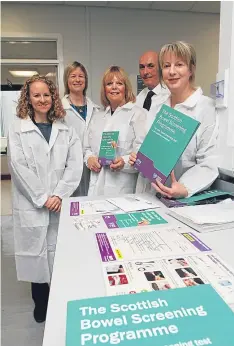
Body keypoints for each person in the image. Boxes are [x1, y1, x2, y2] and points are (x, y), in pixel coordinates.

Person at [7, 75, 83, 323]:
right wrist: (42, 197)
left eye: (46, 95)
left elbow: (74, 166)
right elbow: (18, 168)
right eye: (36, 95)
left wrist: (59, 194)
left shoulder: (66, 129)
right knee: (36, 255)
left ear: (53, 97)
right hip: (33, 205)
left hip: (59, 203)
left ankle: (61, 301)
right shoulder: (18, 128)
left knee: (60, 254)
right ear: (28, 98)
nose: (42, 100)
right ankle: (41, 303)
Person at [130, 41, 219, 198]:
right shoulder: (157, 106)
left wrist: (184, 188)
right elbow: (141, 143)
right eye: (166, 66)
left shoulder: (205, 108)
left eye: (179, 65)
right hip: (147, 193)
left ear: (191, 69)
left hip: (182, 200)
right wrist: (138, 156)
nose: (171, 72)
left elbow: (208, 162)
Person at [83, 65, 147, 196]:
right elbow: (87, 148)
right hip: (96, 185)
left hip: (124, 187)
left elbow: (143, 152)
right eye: (109, 83)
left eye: (119, 83)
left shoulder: (138, 114)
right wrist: (89, 159)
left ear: (126, 88)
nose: (114, 87)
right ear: (104, 89)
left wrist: (124, 162)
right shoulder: (98, 116)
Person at [62, 61, 100, 196]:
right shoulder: (59, 110)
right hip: (68, 166)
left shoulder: (96, 109)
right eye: (73, 76)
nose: (77, 80)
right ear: (67, 80)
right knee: (71, 206)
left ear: (86, 80)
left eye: (81, 76)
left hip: (93, 165)